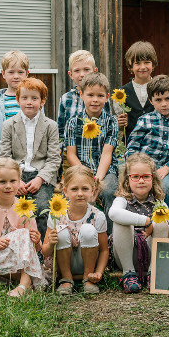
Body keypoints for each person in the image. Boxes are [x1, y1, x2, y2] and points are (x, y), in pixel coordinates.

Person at [108, 154, 169, 293]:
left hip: (150, 254)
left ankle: (153, 272)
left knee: (162, 217)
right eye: (135, 177)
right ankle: (128, 274)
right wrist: (146, 221)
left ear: (152, 179)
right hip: (127, 256)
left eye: (146, 177)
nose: (141, 181)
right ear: (127, 179)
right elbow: (113, 213)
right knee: (121, 221)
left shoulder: (159, 201)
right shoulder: (122, 200)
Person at [0, 158, 44, 297]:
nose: (8, 186)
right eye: (2, 182)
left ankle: (24, 284)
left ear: (19, 182)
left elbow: (34, 248)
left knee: (24, 233)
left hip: (18, 258)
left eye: (12, 181)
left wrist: (36, 240)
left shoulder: (25, 208)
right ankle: (10, 279)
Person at [0, 77, 59, 235]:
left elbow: (54, 159)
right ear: (18, 100)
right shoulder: (9, 125)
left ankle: (41, 250)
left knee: (42, 208)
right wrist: (15, 180)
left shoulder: (50, 126)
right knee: (10, 209)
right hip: (16, 175)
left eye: (34, 98)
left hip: (41, 176)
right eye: (24, 98)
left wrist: (40, 179)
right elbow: (4, 157)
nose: (29, 102)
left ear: (43, 101)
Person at [126, 75, 169, 221]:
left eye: (168, 98)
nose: (164, 104)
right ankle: (137, 219)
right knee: (131, 185)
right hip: (143, 167)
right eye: (158, 100)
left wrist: (167, 168)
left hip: (165, 170)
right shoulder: (145, 120)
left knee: (167, 187)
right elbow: (132, 148)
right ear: (151, 101)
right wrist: (138, 167)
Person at [43, 165, 109, 295]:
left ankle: (87, 278)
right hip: (62, 265)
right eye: (74, 189)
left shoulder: (97, 216)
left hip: (87, 262)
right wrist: (51, 243)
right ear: (66, 191)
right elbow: (45, 251)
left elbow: (104, 250)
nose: (80, 193)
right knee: (61, 230)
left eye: (85, 189)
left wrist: (98, 272)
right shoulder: (56, 214)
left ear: (92, 190)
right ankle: (66, 279)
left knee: (88, 230)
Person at [64, 72, 119, 223]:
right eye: (90, 95)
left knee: (109, 192)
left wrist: (97, 180)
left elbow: (107, 154)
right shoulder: (73, 122)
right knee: (72, 194)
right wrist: (86, 177)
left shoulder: (111, 122)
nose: (95, 100)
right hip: (79, 169)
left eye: (100, 96)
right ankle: (75, 228)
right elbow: (71, 154)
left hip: (105, 171)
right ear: (81, 95)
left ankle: (108, 236)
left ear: (107, 97)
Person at [56, 50, 110, 149]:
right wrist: (62, 148)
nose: (82, 74)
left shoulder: (102, 97)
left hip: (97, 148)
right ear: (70, 74)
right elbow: (60, 130)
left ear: (95, 71)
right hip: (71, 150)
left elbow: (108, 124)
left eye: (86, 69)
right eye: (77, 71)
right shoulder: (65, 99)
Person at [0, 50, 31, 154]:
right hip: (5, 151)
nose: (16, 76)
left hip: (28, 150)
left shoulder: (34, 99)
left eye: (20, 72)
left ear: (27, 74)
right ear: (3, 74)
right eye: (11, 72)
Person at [115, 41, 157, 132]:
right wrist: (120, 124)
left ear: (153, 65)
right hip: (131, 142)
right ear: (131, 67)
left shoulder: (160, 88)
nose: (142, 67)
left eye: (146, 62)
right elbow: (118, 122)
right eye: (137, 63)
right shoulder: (121, 93)